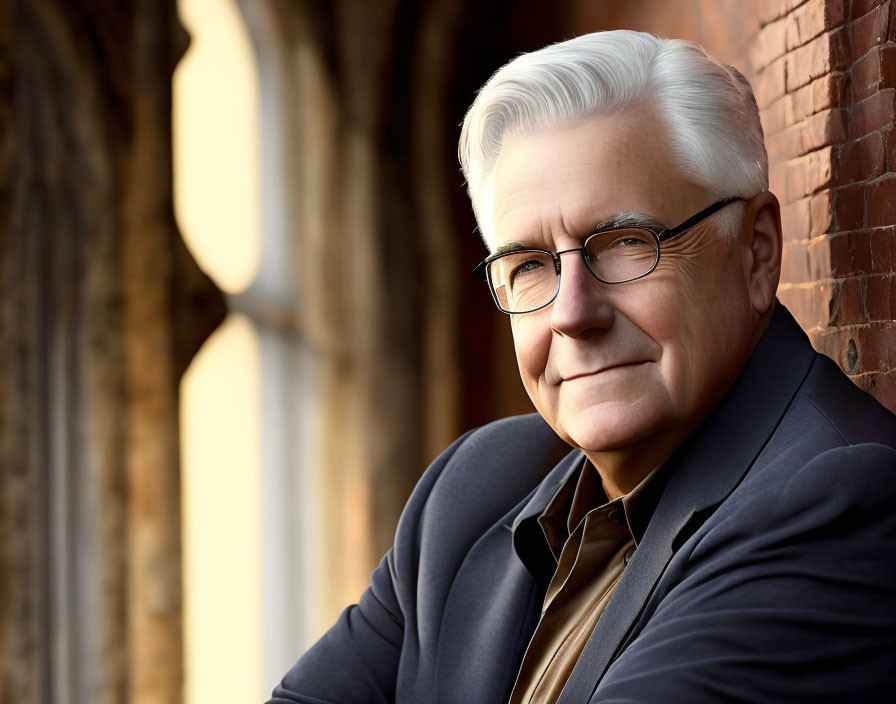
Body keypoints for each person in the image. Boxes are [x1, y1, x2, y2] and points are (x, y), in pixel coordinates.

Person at [267, 30, 896, 703]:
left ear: (757, 252)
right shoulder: (471, 488)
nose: (572, 312)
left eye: (627, 242)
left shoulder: (842, 501)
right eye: (530, 265)